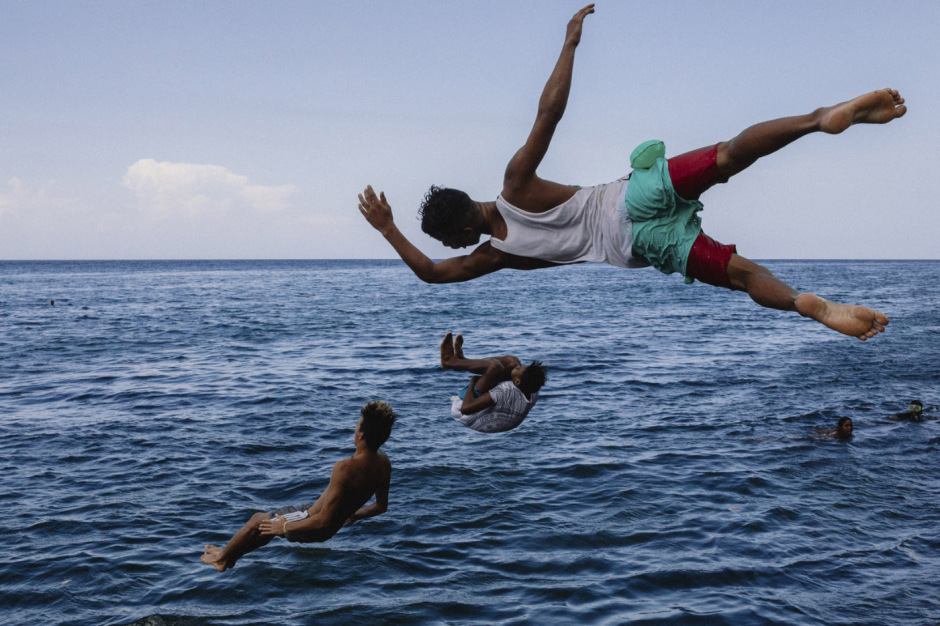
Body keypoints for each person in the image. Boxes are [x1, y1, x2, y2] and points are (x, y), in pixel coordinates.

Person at [358, 4, 907, 341]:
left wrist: (387, 229)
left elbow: (431, 273)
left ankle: (802, 304)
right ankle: (818, 120)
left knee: (741, 275)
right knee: (730, 155)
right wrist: (570, 42)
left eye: (449, 237)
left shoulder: (495, 256)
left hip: (640, 243)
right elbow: (548, 113)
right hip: (635, 193)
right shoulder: (515, 185)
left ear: (456, 231)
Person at [200, 401, 396, 572]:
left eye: (357, 426)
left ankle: (222, 560)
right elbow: (381, 506)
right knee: (266, 529)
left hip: (312, 522)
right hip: (322, 521)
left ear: (361, 435)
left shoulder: (345, 468)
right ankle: (229, 555)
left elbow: (322, 521)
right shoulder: (383, 463)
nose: (354, 429)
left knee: (257, 521)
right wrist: (353, 515)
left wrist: (284, 526)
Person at [440, 331, 545, 433]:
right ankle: (461, 361)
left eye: (518, 370)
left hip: (466, 415)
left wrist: (472, 382)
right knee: (512, 361)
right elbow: (511, 395)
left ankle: (449, 362)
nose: (518, 367)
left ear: (517, 382)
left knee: (494, 366)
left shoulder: (506, 391)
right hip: (503, 420)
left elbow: (466, 409)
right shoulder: (533, 388)